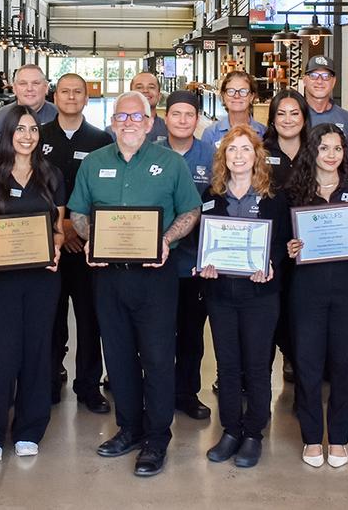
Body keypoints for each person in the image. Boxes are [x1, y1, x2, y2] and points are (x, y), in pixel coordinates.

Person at [68, 90, 202, 477]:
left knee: (158, 358)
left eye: (136, 117)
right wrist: (90, 235)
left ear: (149, 122)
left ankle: (157, 438)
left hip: (156, 276)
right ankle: (129, 428)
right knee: (119, 354)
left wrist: (166, 239)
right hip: (109, 277)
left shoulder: (170, 163)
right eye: (121, 117)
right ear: (113, 123)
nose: (129, 123)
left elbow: (191, 209)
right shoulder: (94, 164)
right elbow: (78, 211)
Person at [0, 105, 66, 461]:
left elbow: (59, 231)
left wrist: (56, 249)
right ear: (7, 134)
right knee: (0, 354)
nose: (27, 136)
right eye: (20, 129)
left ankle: (30, 428)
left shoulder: (52, 175)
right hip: (1, 279)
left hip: (42, 278)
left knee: (38, 351)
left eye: (33, 130)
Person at [286, 124, 348, 468]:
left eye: (337, 149)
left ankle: (338, 438)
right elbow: (284, 243)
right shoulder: (294, 191)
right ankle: (311, 438)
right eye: (324, 148)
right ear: (313, 151)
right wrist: (290, 247)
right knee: (308, 366)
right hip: (306, 291)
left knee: (345, 365)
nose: (331, 155)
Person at [198, 126, 287, 469]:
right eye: (231, 150)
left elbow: (280, 242)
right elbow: (205, 240)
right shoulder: (212, 195)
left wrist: (270, 264)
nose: (238, 156)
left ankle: (253, 433)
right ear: (223, 158)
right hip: (220, 294)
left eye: (245, 150)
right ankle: (231, 430)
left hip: (260, 294)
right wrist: (204, 265)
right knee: (228, 366)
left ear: (256, 156)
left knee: (256, 366)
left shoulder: (274, 196)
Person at [42, 73, 113, 413]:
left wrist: (78, 227)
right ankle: (49, 378)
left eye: (78, 92)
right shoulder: (38, 137)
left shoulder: (102, 141)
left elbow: (108, 196)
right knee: (51, 318)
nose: (71, 97)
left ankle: (89, 384)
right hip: (49, 246)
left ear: (88, 98)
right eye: (65, 91)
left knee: (90, 319)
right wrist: (61, 227)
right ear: (55, 97)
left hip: (88, 247)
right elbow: (31, 190)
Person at [159, 89, 215, 421]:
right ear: (165, 117)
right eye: (176, 114)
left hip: (198, 262)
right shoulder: (152, 154)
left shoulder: (211, 155)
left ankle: (187, 392)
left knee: (192, 333)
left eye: (189, 115)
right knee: (158, 333)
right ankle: (159, 391)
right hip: (159, 259)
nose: (182, 120)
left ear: (197, 119)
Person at [263, 89, 310, 382]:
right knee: (270, 312)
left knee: (302, 312)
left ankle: (298, 362)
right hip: (271, 248)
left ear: (304, 118)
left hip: (310, 247)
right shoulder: (261, 151)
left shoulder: (316, 150)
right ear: (272, 118)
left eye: (294, 113)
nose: (288, 119)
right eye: (281, 113)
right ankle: (259, 375)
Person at [297, 55, 348, 140]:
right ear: (305, 80)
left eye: (326, 76)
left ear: (334, 81)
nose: (319, 81)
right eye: (313, 75)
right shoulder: (292, 118)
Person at [201, 69, 265, 145]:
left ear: (251, 97)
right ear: (223, 95)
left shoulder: (264, 133)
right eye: (231, 91)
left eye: (243, 91)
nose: (237, 96)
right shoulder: (211, 134)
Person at [0, 64, 56, 129]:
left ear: (46, 87)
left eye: (36, 83)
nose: (29, 88)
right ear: (14, 88)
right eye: (23, 84)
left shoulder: (61, 117)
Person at [107, 71, 167, 140]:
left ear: (159, 96)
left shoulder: (168, 129)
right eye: (139, 87)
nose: (145, 90)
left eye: (151, 87)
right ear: (130, 94)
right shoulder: (112, 132)